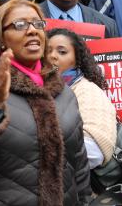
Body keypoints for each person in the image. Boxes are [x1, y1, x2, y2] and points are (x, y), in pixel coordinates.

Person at [0, 0, 92, 205]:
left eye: (38, 24)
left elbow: (79, 165)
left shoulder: (65, 93)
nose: (32, 30)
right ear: (2, 38)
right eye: (20, 25)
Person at [47, 28, 117, 168]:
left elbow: (94, 153)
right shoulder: (39, 88)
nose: (52, 56)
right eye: (47, 51)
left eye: (62, 52)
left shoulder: (88, 91)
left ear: (77, 60)